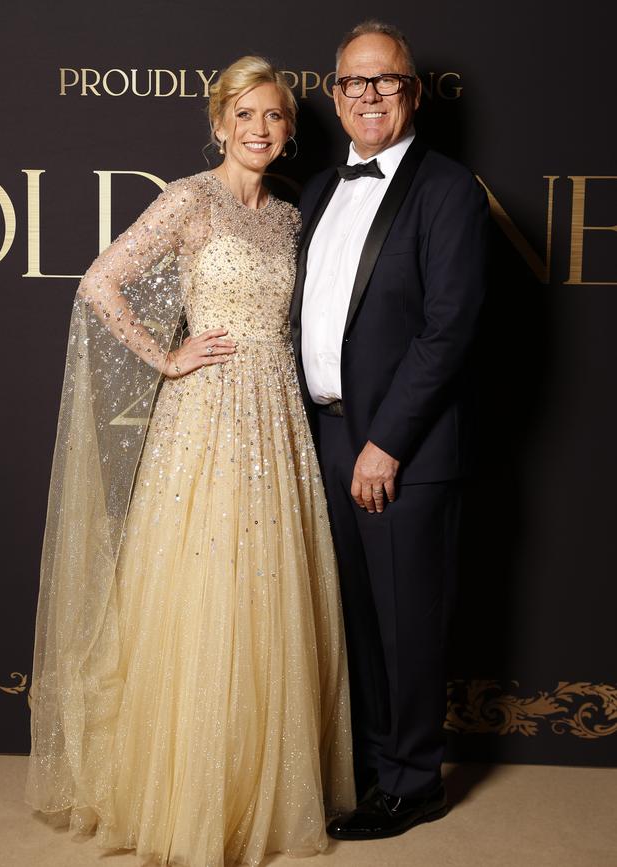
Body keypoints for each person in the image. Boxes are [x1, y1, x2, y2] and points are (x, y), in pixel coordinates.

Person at [26, 55, 355, 867]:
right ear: (218, 123)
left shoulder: (287, 217)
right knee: (198, 589)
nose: (261, 129)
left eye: (276, 116)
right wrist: (166, 356)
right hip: (204, 416)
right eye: (245, 114)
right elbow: (100, 284)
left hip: (275, 419)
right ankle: (183, 792)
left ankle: (258, 785)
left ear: (287, 132)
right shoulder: (188, 199)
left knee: (266, 589)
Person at [290, 21, 489, 840]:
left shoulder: (446, 189)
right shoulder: (317, 190)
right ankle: (374, 769)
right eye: (352, 83)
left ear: (411, 92)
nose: (368, 95)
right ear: (335, 95)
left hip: (396, 448)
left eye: (385, 81)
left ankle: (415, 780)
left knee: (406, 620)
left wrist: (387, 441)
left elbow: (450, 328)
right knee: (359, 621)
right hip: (326, 436)